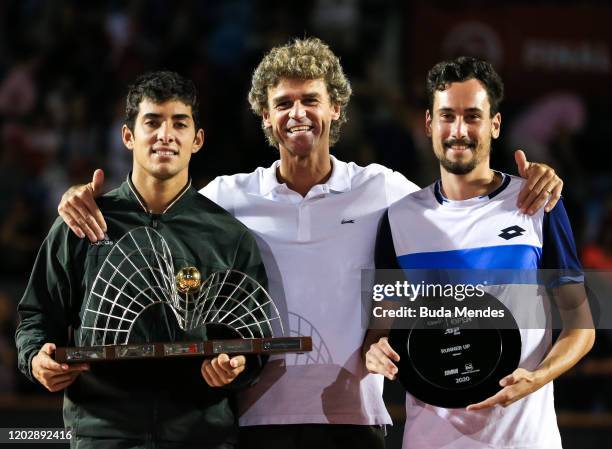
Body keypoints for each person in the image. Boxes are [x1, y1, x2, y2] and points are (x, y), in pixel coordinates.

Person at [56, 38, 563, 449]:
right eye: (283, 104)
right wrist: (86, 199)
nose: (298, 113)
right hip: (251, 420)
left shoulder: (383, 189)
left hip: (357, 422)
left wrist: (530, 184)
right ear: (265, 116)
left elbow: (460, 210)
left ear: (335, 108)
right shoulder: (226, 197)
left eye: (310, 100)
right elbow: (153, 217)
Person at [15, 71, 268, 449]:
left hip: (200, 436)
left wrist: (236, 366)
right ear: (128, 137)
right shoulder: (82, 221)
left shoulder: (228, 237)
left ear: (196, 140)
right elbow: (36, 316)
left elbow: (254, 338)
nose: (165, 135)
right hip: (102, 435)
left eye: (179, 123)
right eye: (152, 122)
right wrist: (37, 360)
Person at [365, 57, 595, 449]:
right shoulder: (399, 219)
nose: (459, 130)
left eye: (472, 116)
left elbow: (581, 327)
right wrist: (375, 352)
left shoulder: (537, 204)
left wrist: (539, 377)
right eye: (447, 116)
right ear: (428, 124)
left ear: (495, 124)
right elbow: (384, 328)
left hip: (525, 439)